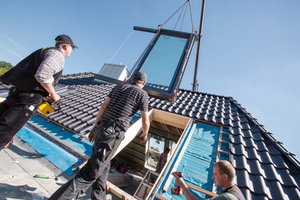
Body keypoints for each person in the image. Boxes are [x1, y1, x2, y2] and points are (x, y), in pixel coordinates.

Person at [49, 71, 150, 200]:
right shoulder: (143, 94)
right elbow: (145, 119)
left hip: (100, 129)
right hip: (113, 134)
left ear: (133, 79)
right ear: (144, 83)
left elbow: (103, 106)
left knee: (104, 166)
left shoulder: (119, 87)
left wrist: (94, 127)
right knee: (90, 172)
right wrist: (145, 132)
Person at [0, 34, 77, 150]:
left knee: (4, 123)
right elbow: (42, 75)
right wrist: (53, 94)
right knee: (5, 130)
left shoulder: (45, 50)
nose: (72, 50)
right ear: (66, 46)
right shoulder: (58, 55)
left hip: (17, 92)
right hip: (28, 98)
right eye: (73, 48)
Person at [174, 160, 245, 200]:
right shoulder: (235, 191)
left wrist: (182, 185)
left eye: (215, 174)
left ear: (225, 177)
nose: (213, 177)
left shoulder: (227, 198)